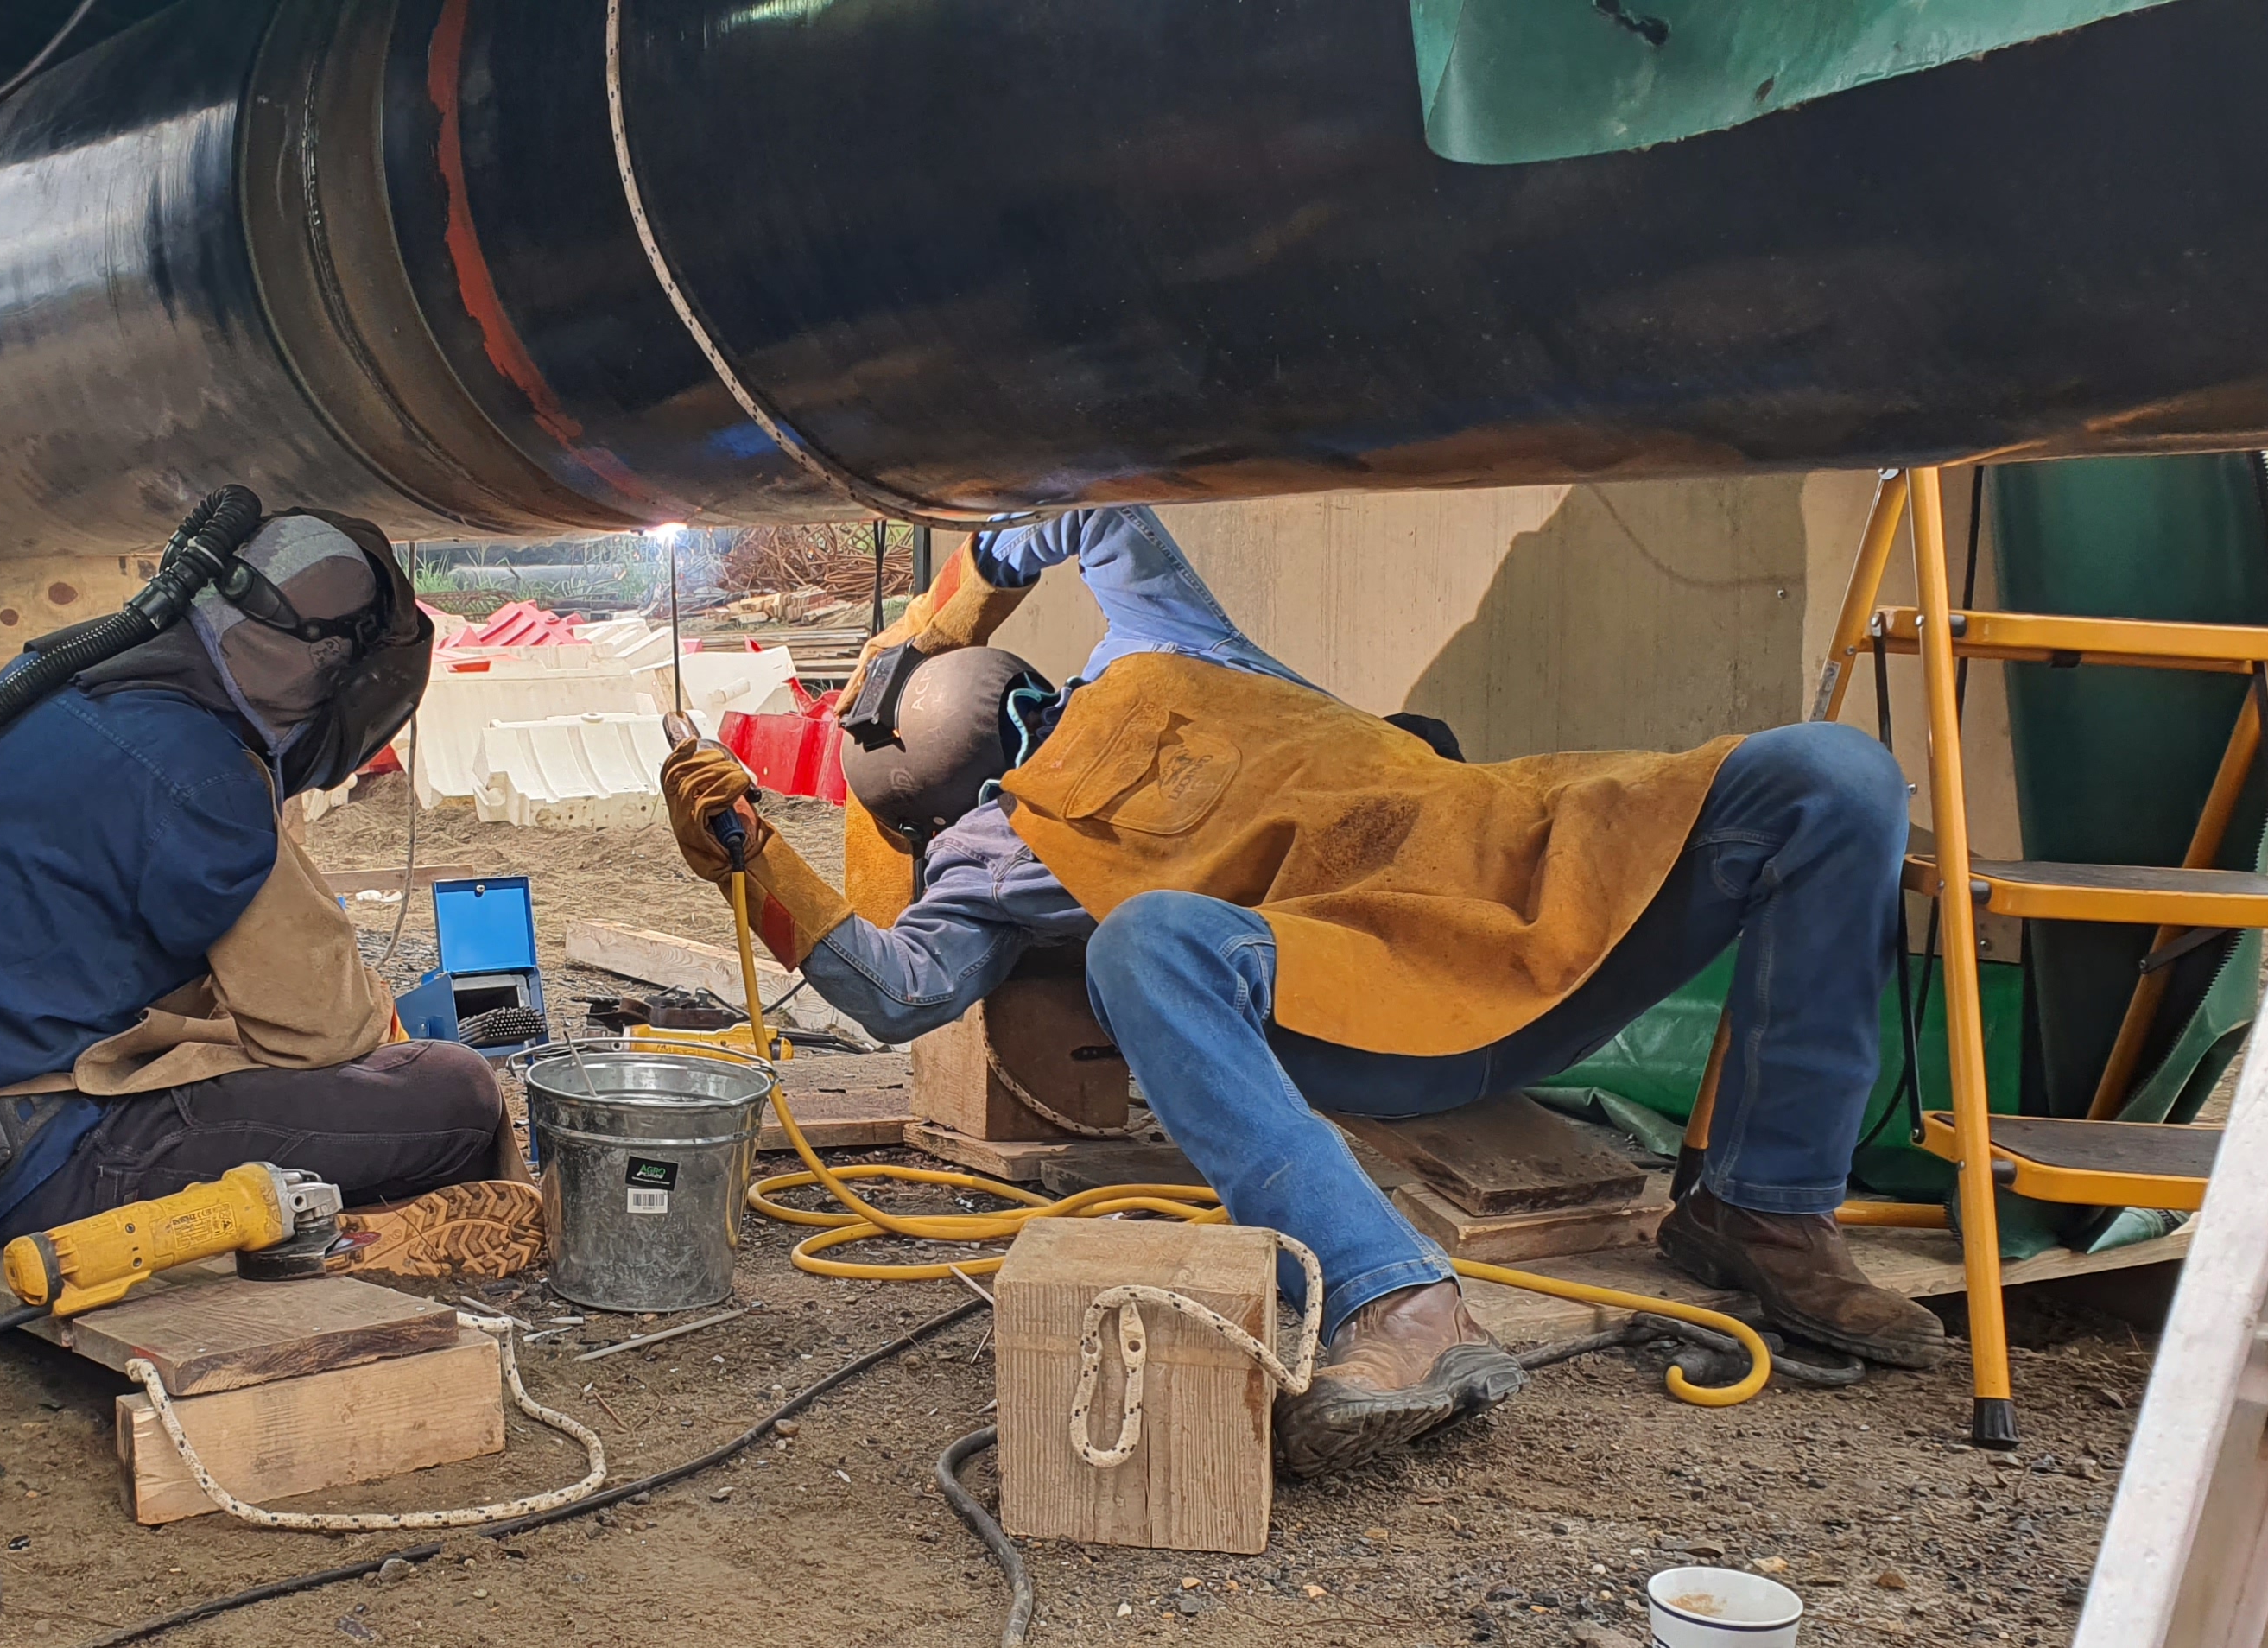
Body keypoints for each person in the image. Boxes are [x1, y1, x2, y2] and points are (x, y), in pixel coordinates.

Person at [659, 505, 1943, 1475]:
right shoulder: (1035, 807)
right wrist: (950, 609)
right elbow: (1094, 512)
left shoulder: (1142, 671)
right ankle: (1395, 1292)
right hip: (1377, 994)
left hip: (1530, 885)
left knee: (1825, 775)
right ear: (1017, 704)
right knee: (1145, 945)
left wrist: (774, 839)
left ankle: (1763, 1214)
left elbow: (890, 989)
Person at [0, 507, 536, 1275]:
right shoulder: (201, 774)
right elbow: (322, 1029)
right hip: (35, 1169)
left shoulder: (64, 673)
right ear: (329, 662)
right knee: (457, 1089)